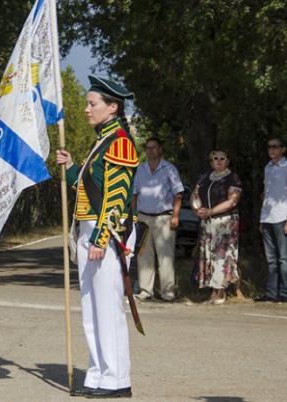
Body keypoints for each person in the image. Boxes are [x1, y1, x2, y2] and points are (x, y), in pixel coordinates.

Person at [56, 75, 138, 399]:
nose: (87, 109)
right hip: (91, 231)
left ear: (112, 107)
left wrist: (101, 239)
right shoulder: (101, 141)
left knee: (107, 307)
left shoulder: (118, 141)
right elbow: (93, 189)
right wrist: (74, 167)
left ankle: (117, 379)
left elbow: (116, 198)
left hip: (108, 234)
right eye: (88, 103)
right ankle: (98, 373)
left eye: (93, 104)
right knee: (91, 307)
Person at [132, 138, 184, 301]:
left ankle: (167, 292)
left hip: (164, 217)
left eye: (153, 148)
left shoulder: (169, 169)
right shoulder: (140, 169)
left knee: (165, 256)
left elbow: (178, 194)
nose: (150, 151)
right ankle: (146, 291)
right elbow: (134, 194)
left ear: (160, 149)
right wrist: (134, 215)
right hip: (143, 217)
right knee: (143, 256)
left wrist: (175, 215)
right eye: (148, 148)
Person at [191, 150, 242, 304]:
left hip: (225, 222)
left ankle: (220, 292)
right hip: (208, 223)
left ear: (227, 161)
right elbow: (194, 195)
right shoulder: (205, 177)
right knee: (209, 257)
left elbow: (232, 201)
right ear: (211, 162)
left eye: (222, 158)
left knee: (222, 257)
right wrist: (197, 209)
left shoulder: (232, 177)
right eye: (215, 158)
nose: (218, 161)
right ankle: (213, 292)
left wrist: (211, 211)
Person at [259, 138, 287, 302]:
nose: (271, 150)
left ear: (283, 149)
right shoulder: (267, 168)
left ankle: (284, 293)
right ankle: (272, 293)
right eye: (269, 147)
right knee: (271, 259)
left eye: (275, 147)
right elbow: (266, 194)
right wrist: (261, 219)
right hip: (267, 217)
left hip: (282, 216)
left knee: (283, 258)